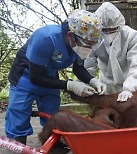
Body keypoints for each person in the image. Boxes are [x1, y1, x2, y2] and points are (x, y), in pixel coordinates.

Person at [5, 9, 106, 144]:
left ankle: (53, 142)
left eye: (91, 44)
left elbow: (78, 68)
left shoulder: (77, 44)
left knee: (52, 110)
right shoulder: (46, 38)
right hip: (26, 74)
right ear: (70, 35)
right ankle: (18, 142)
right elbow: (35, 77)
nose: (88, 48)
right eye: (86, 43)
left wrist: (93, 81)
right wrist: (69, 85)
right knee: (19, 110)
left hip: (50, 75)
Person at [84, 2, 137, 102]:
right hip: (105, 86)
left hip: (129, 84)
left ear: (119, 25)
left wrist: (129, 89)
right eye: (105, 30)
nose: (109, 33)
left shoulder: (130, 36)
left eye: (112, 30)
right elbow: (88, 65)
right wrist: (85, 84)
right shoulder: (95, 38)